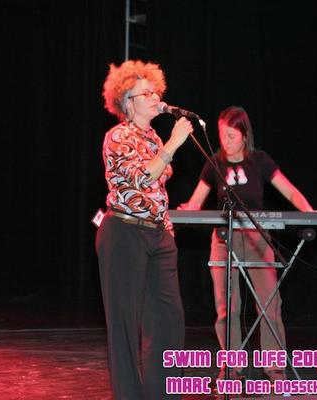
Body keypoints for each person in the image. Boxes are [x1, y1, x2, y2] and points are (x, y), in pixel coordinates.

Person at [178, 106, 315, 382]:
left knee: (269, 303)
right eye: (222, 135)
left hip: (256, 237)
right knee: (227, 307)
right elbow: (195, 202)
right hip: (224, 238)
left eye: (231, 136)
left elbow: (290, 191)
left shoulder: (259, 160)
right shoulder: (214, 163)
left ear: (244, 135)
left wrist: (310, 213)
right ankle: (232, 367)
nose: (226, 141)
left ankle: (275, 369)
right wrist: (186, 210)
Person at [95, 60, 193, 399]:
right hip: (124, 233)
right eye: (146, 94)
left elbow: (158, 192)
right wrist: (174, 144)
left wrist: (166, 229)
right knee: (123, 325)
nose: (155, 98)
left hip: (156, 234)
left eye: (155, 92)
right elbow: (141, 179)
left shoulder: (153, 137)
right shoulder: (117, 136)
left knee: (168, 319)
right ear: (127, 102)